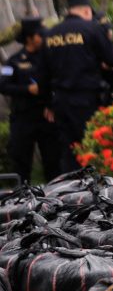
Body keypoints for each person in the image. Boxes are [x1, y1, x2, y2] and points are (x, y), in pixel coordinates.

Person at [40, 0, 113, 172]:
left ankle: (69, 185)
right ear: (86, 11)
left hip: (61, 101)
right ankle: (90, 185)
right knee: (89, 147)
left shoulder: (50, 34)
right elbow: (111, 57)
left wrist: (48, 104)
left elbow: (42, 74)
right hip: (85, 99)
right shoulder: (91, 29)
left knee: (68, 149)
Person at [0, 17, 61, 182]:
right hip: (23, 117)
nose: (43, 38)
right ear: (30, 38)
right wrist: (27, 89)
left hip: (46, 116)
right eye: (40, 35)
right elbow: (3, 85)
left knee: (53, 162)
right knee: (21, 162)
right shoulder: (14, 61)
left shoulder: (49, 58)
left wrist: (52, 105)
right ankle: (22, 194)